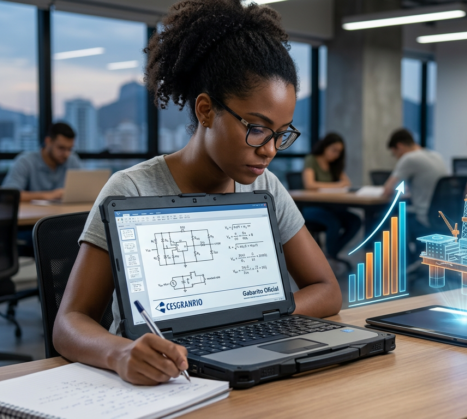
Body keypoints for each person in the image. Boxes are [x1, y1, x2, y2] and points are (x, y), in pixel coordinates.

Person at [53, 0, 341, 386]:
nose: (270, 149)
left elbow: (327, 290)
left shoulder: (265, 186)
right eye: (257, 129)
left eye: (281, 133)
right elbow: (69, 322)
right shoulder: (132, 189)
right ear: (205, 111)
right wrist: (119, 353)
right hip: (161, 379)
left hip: (244, 367)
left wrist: (249, 320)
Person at [301, 133, 362, 260]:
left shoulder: (334, 164)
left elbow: (347, 183)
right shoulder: (312, 159)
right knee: (333, 222)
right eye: (334, 150)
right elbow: (309, 185)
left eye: (339, 152)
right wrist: (335, 185)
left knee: (355, 221)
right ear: (325, 146)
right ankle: (329, 257)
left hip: (330, 207)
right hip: (311, 207)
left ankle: (330, 254)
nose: (336, 154)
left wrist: (336, 184)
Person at [382, 128, 448, 239]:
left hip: (424, 219)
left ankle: (401, 252)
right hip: (443, 218)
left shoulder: (409, 158)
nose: (397, 158)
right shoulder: (437, 155)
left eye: (395, 154)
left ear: (399, 146)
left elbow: (387, 190)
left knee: (387, 219)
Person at [2, 122, 82, 201]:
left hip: (64, 209)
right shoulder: (26, 161)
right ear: (48, 142)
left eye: (70, 149)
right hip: (32, 210)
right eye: (61, 148)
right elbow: (8, 195)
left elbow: (83, 191)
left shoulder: (72, 160)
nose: (66, 154)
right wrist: (47, 195)